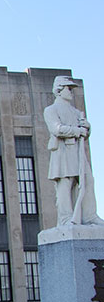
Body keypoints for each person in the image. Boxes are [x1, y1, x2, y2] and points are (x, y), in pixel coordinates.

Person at [44, 76, 104, 226]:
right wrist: (78, 131)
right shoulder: (51, 110)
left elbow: (85, 133)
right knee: (65, 184)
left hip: (78, 153)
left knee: (88, 181)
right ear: (59, 90)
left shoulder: (77, 112)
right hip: (63, 152)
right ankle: (65, 218)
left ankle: (90, 215)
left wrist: (87, 127)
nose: (71, 92)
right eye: (68, 89)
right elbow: (56, 129)